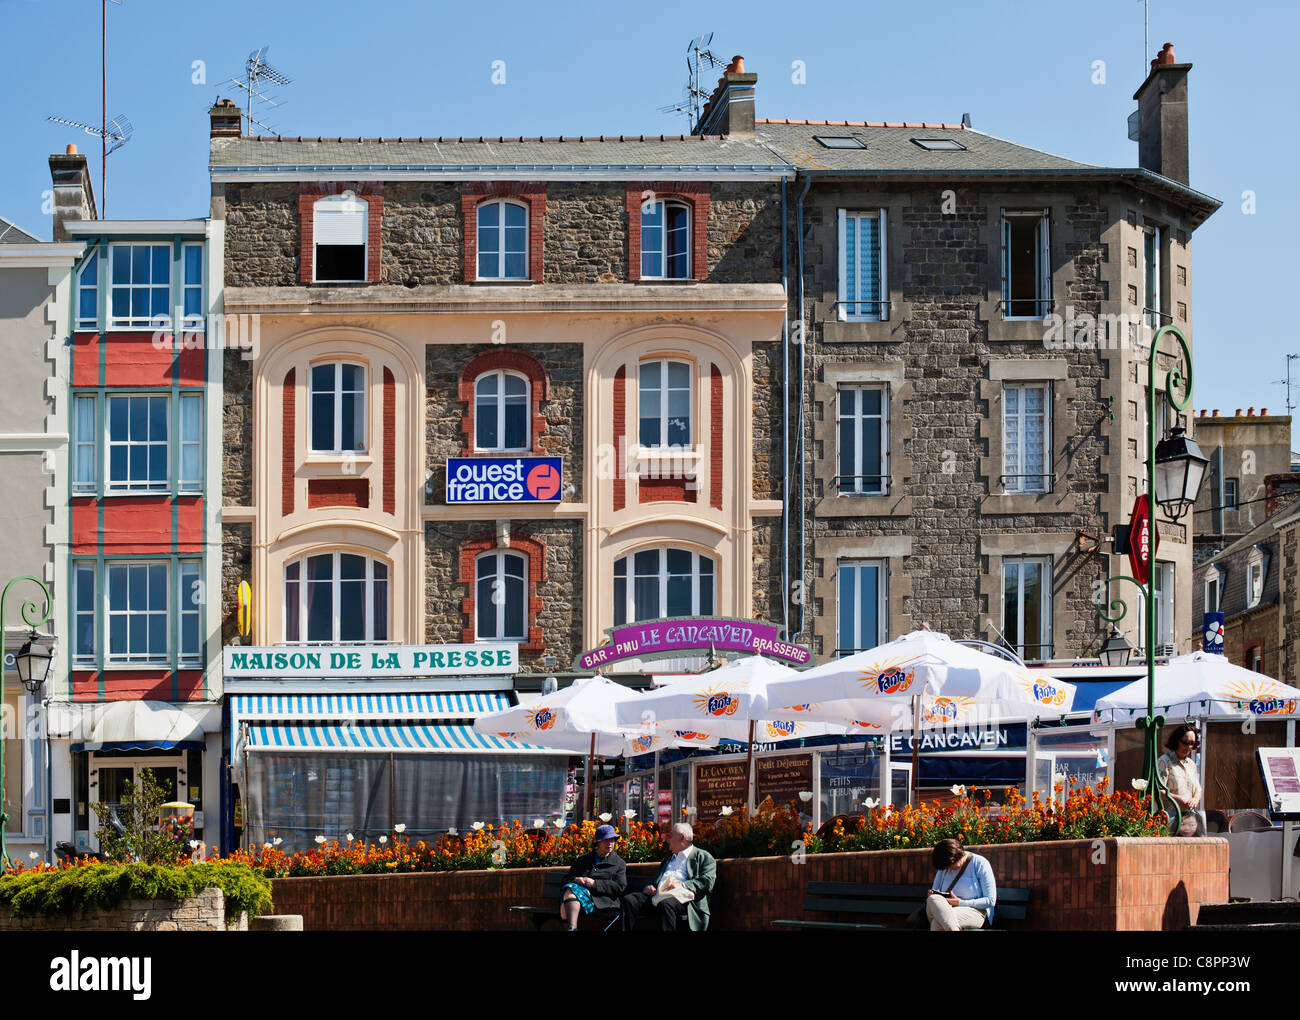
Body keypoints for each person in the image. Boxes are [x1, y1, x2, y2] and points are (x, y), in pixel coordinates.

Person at [620, 822, 716, 931]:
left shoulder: (703, 856)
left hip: (685, 900)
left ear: (682, 838)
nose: (667, 838)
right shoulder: (668, 858)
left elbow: (708, 881)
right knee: (630, 900)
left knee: (665, 904)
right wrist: (650, 886)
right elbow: (657, 879)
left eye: (671, 835)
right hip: (659, 895)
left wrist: (682, 885)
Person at [559, 823, 627, 931]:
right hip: (580, 897)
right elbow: (565, 879)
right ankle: (572, 928)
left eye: (612, 840)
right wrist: (576, 879)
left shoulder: (619, 863)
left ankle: (571, 927)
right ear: (598, 842)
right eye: (606, 840)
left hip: (604, 900)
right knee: (570, 889)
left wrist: (594, 883)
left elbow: (619, 887)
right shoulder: (583, 860)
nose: (610, 843)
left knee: (569, 894)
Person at [925, 837, 996, 931]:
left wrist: (959, 902)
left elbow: (990, 900)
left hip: (974, 911)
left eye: (951, 866)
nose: (949, 869)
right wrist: (934, 894)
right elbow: (933, 900)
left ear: (958, 856)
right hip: (944, 909)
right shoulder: (945, 867)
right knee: (933, 898)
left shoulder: (979, 863)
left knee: (938, 922)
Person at [1158, 724, 1204, 836]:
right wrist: (1179, 799)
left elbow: (1198, 789)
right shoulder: (1165, 761)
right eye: (1185, 742)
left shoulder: (1191, 764)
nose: (1188, 747)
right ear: (1176, 741)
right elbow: (1159, 791)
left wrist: (1195, 799)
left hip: (1191, 818)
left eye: (1192, 743)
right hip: (1171, 817)